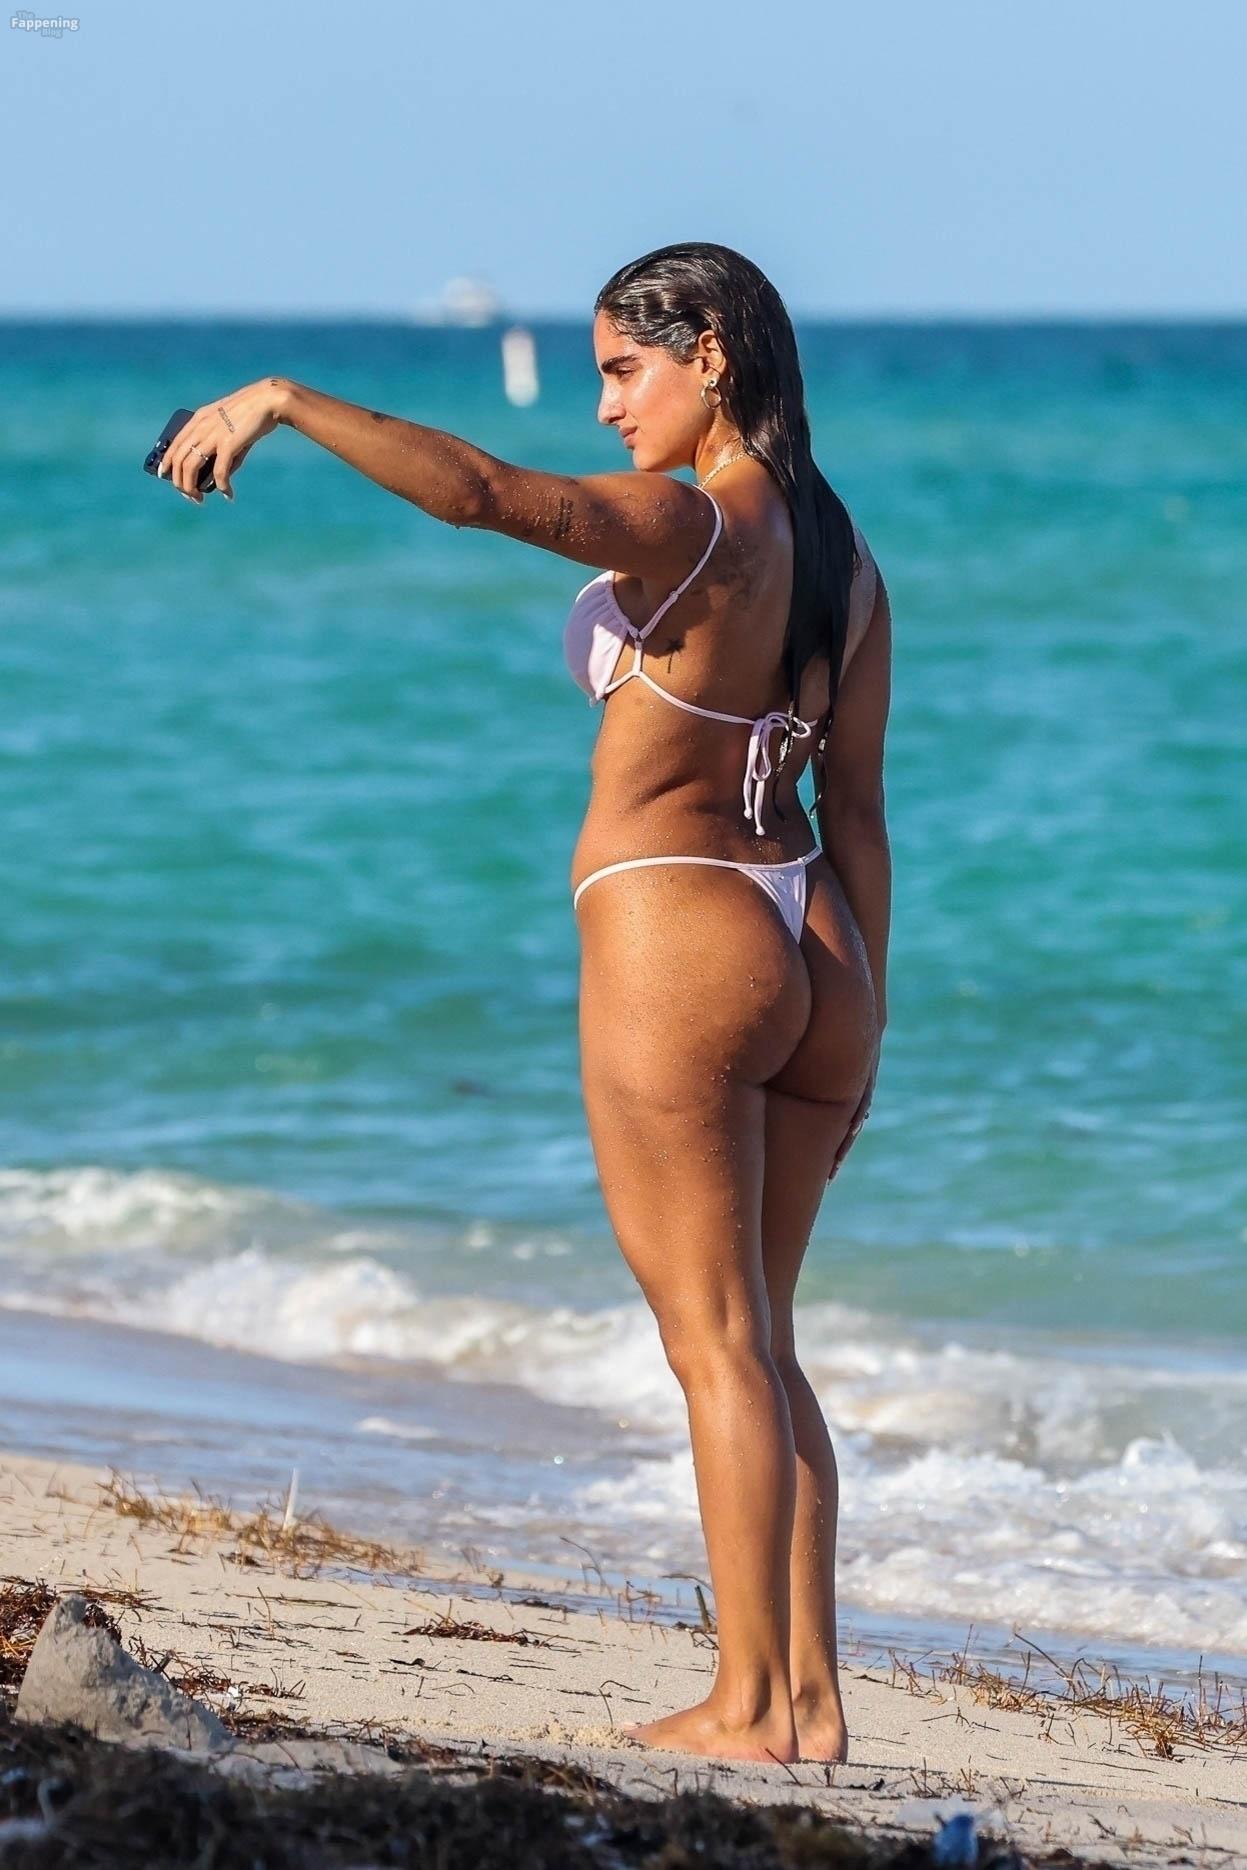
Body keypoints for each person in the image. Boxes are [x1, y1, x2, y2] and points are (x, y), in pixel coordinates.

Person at [158, 241, 891, 1768]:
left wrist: (284, 398)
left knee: (714, 1344)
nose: (608, 404)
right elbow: (862, 812)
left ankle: (749, 1707)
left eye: (627, 368)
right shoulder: (845, 556)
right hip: (818, 943)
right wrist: (868, 1020)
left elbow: (485, 492)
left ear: (714, 359)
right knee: (765, 1341)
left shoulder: (692, 524)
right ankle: (812, 1697)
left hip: (682, 930)